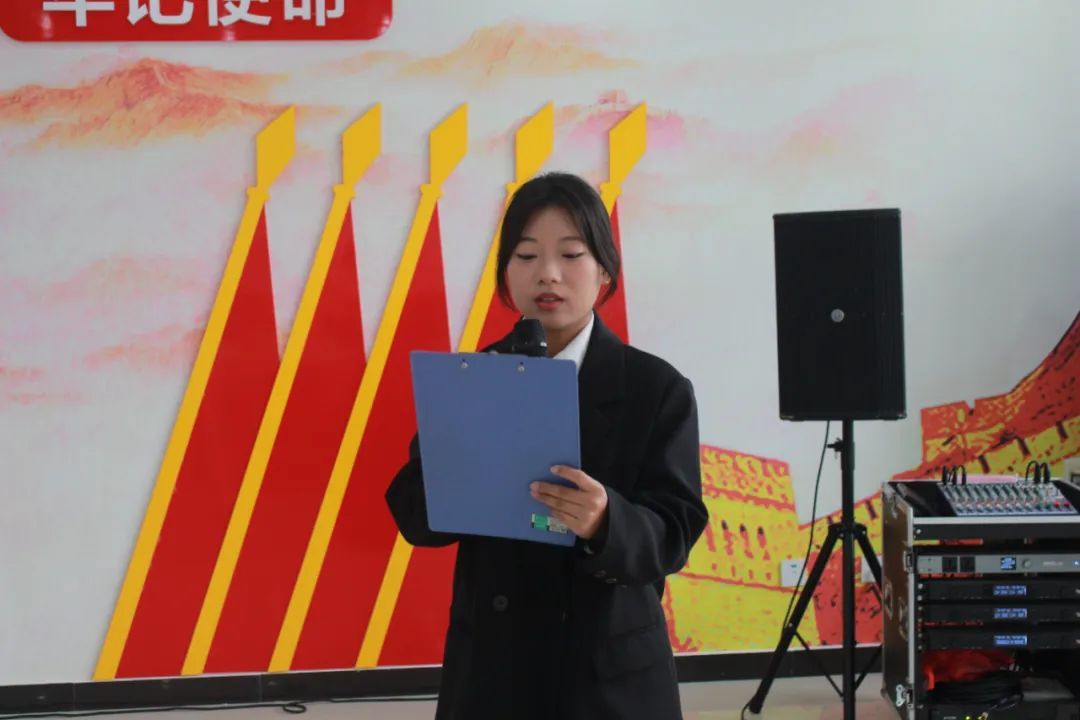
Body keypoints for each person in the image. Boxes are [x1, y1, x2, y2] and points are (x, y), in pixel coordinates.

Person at [386, 172, 708, 720]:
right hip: (495, 669)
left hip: (606, 675)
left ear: (604, 269)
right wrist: (457, 466)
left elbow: (675, 533)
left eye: (571, 254)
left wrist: (607, 520)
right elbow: (415, 517)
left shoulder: (656, 388)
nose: (548, 274)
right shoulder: (473, 378)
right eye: (527, 255)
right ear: (505, 273)